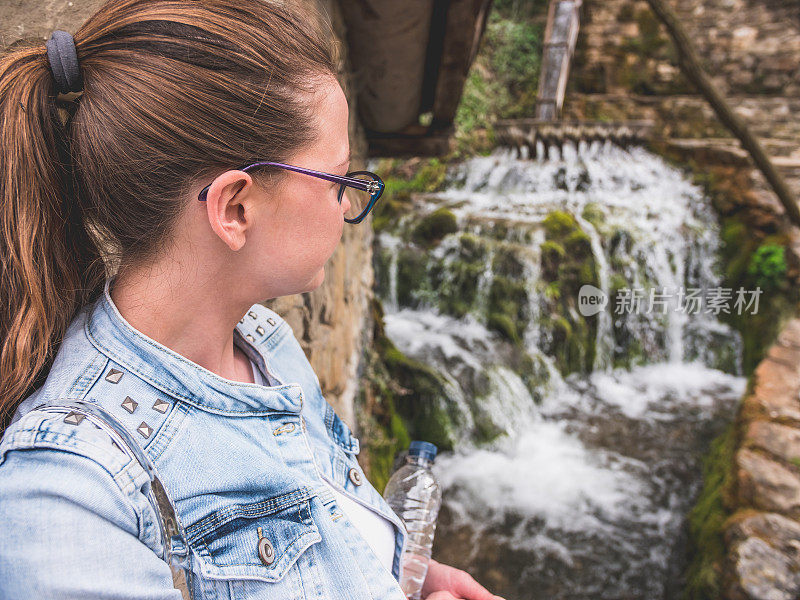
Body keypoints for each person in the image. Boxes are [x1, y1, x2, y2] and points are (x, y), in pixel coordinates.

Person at [0, 1, 505, 599]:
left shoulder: (264, 344)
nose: (349, 206)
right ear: (235, 208)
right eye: (339, 180)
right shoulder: (72, 495)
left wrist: (395, 572)